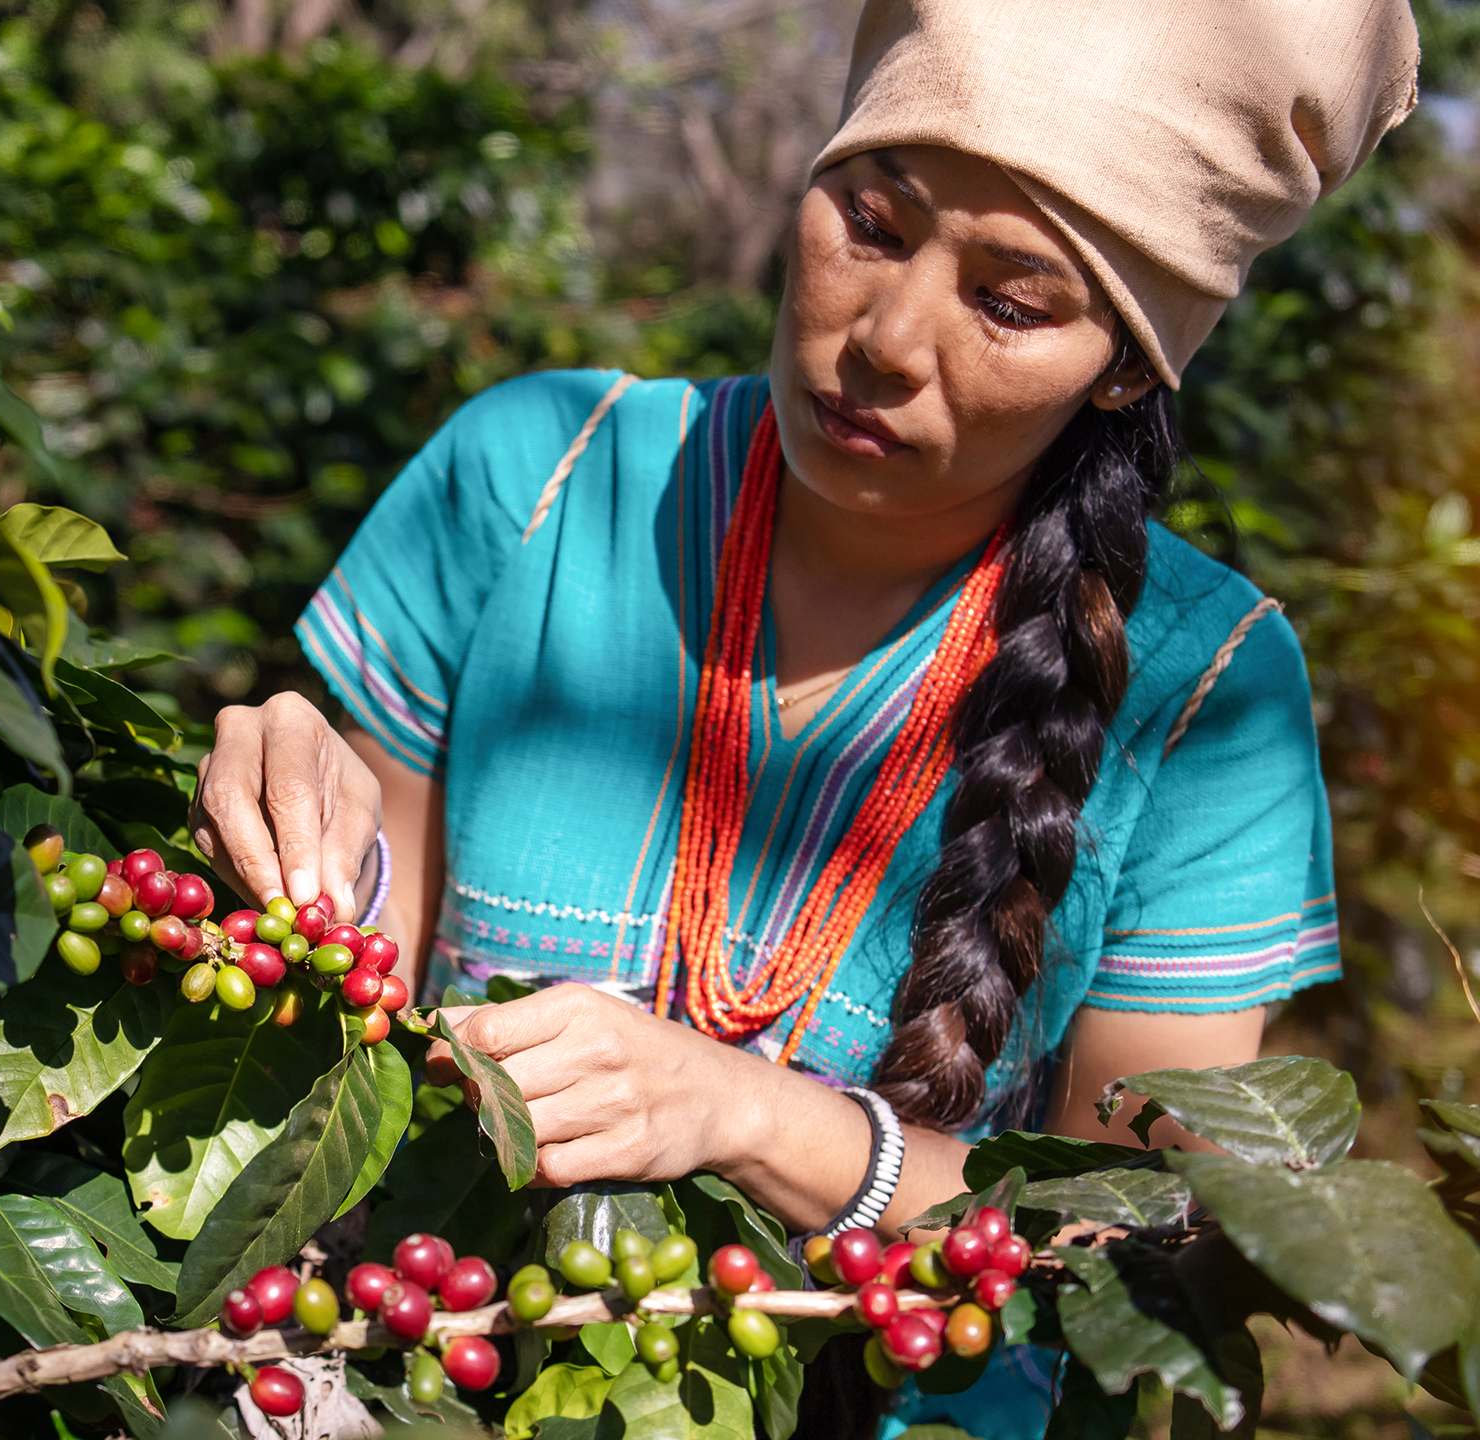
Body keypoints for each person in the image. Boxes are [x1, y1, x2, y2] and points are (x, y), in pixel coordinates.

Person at [189, 1, 1419, 1431]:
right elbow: (363, 985)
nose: (887, 338)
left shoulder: (1207, 698)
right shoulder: (532, 477)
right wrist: (291, 831)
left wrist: (759, 1120)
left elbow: (1132, 1249)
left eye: (1011, 304)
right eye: (875, 223)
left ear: (1130, 365)